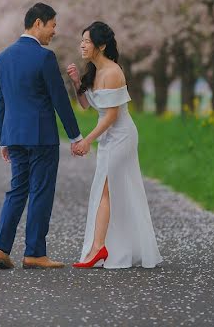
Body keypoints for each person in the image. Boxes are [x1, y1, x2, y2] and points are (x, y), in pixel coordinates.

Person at [0, 2, 84, 269]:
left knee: (17, 190)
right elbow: (60, 100)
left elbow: (1, 102)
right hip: (42, 136)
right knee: (41, 190)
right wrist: (75, 135)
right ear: (38, 23)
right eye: (53, 25)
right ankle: (34, 253)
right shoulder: (44, 57)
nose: (54, 31)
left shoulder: (2, 58)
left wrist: (3, 139)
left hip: (14, 135)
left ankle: (1, 248)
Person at [66, 21, 162, 269]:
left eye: (87, 41)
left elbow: (111, 116)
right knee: (111, 189)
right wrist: (77, 83)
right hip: (109, 137)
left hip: (121, 136)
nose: (82, 45)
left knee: (106, 188)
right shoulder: (94, 72)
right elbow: (86, 106)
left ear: (101, 45)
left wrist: (87, 140)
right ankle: (112, 246)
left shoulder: (113, 72)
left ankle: (99, 248)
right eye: (82, 41)